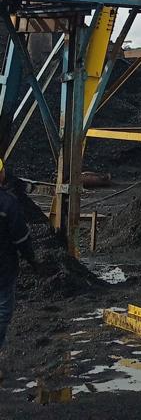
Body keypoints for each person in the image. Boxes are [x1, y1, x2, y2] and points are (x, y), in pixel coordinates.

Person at [0, 156, 36, 365]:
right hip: (3, 268)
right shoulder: (7, 203)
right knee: (3, 311)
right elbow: (21, 238)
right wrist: (32, 260)